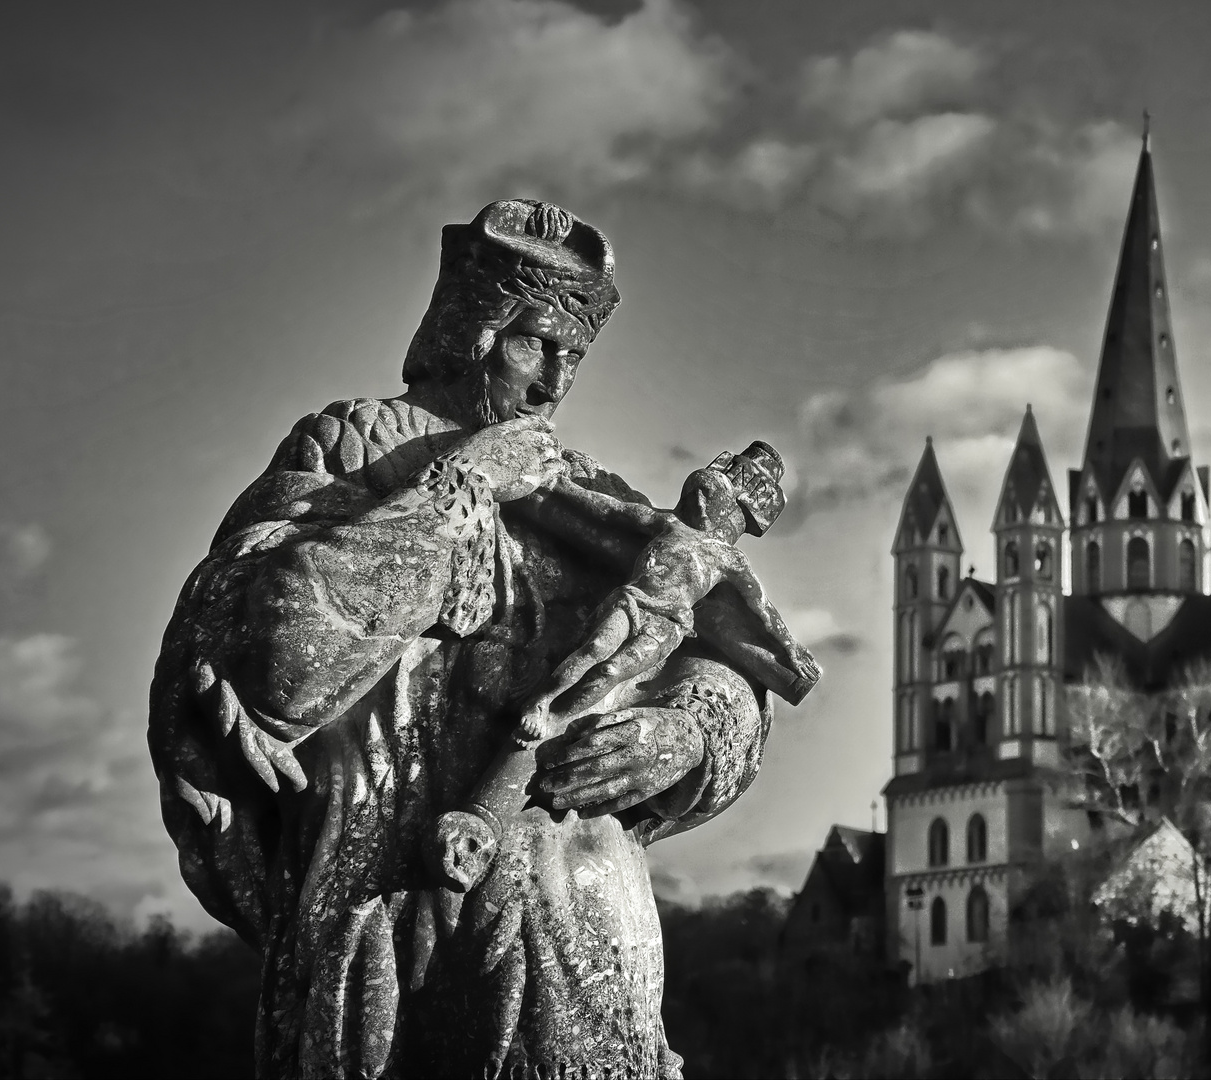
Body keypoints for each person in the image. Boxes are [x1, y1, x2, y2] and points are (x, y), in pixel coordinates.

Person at [148, 200, 801, 1079]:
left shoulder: (584, 501)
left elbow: (716, 662)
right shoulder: (351, 452)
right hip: (380, 898)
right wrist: (461, 489)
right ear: (472, 331)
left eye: (575, 357)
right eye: (536, 344)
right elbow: (277, 666)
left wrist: (684, 735)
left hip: (575, 909)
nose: (554, 385)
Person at [429, 441, 819, 893]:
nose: (706, 501)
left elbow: (759, 629)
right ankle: (519, 751)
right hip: (623, 608)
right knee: (590, 654)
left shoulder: (726, 578)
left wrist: (689, 733)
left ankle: (509, 778)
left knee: (609, 677)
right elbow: (604, 510)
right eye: (706, 491)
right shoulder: (612, 496)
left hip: (664, 631)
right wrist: (542, 482)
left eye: (718, 497)